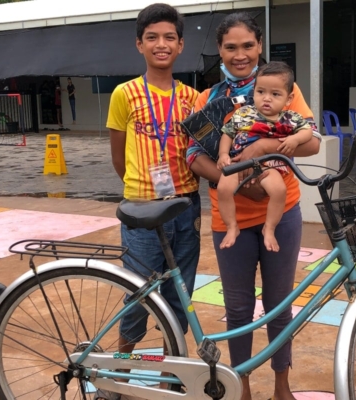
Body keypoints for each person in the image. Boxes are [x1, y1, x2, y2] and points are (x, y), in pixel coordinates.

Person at [186, 12, 321, 400]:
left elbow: (310, 141)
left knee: (280, 305)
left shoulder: (281, 87)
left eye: (248, 46)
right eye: (231, 47)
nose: (240, 54)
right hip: (230, 216)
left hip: (282, 214)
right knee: (239, 309)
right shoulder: (209, 99)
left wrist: (262, 148)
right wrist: (245, 187)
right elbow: (194, 156)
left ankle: (282, 385)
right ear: (220, 50)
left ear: (260, 46)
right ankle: (241, 386)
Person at [103, 3, 200, 400]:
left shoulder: (193, 97)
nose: (161, 45)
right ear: (139, 44)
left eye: (169, 38)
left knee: (179, 298)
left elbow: (201, 150)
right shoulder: (124, 94)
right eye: (152, 37)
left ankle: (169, 379)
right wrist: (141, 188)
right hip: (142, 210)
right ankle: (119, 374)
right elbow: (117, 155)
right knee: (138, 296)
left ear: (180, 45)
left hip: (187, 205)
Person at [217, 61, 313, 251]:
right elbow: (227, 133)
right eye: (261, 92)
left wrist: (295, 140)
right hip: (240, 165)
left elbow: (308, 132)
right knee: (223, 188)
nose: (266, 99)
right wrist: (222, 154)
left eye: (275, 94)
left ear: (288, 98)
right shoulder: (243, 113)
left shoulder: (290, 118)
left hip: (270, 167)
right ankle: (231, 226)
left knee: (279, 191)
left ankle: (269, 229)